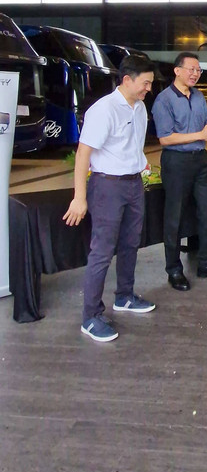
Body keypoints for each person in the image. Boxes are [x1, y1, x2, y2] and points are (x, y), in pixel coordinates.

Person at [63, 54, 157, 343]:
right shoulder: (103, 110)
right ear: (127, 80)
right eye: (145, 83)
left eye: (151, 84)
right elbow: (83, 154)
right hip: (107, 187)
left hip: (132, 185)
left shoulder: (139, 108)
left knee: (130, 243)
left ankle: (124, 296)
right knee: (102, 251)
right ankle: (90, 317)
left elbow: (132, 143)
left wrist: (140, 161)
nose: (148, 89)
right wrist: (80, 197)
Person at [151, 52, 207, 291]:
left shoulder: (198, 96)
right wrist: (201, 135)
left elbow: (206, 123)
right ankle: (174, 270)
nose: (195, 74)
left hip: (200, 161)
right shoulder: (163, 100)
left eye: (198, 70)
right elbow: (165, 138)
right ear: (177, 71)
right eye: (191, 69)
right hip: (176, 163)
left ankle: (206, 262)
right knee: (174, 216)